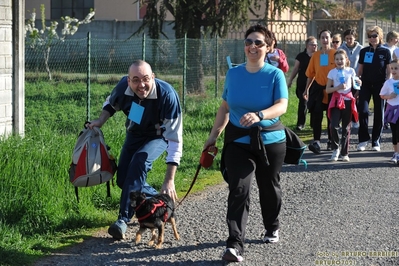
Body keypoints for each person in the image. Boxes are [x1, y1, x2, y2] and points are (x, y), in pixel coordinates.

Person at [204, 24, 288, 263]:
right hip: (238, 139)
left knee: (268, 185)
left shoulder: (275, 74)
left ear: (269, 47)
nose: (252, 46)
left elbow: (282, 106)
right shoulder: (233, 73)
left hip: (270, 139)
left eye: (258, 42)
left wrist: (260, 115)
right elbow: (225, 107)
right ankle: (234, 244)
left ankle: (272, 225)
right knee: (239, 187)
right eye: (248, 41)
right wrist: (213, 136)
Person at [87, 60, 183, 240]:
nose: (141, 85)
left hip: (158, 135)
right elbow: (111, 103)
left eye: (146, 79)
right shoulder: (123, 86)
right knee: (124, 181)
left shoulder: (168, 95)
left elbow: (175, 139)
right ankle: (157, 200)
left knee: (140, 160)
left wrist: (169, 180)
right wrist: (100, 121)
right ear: (128, 80)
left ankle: (122, 220)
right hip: (135, 132)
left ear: (153, 77)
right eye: (136, 80)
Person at [356, 26, 392, 151]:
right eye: (370, 36)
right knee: (363, 111)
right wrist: (357, 82)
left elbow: (389, 71)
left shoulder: (386, 52)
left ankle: (376, 141)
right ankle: (363, 140)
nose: (372, 38)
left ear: (380, 36)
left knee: (379, 113)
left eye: (375, 36)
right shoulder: (364, 51)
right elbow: (360, 70)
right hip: (365, 84)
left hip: (380, 85)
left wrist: (388, 84)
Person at [304, 29, 336, 154]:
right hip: (318, 89)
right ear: (319, 39)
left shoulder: (335, 53)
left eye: (327, 37)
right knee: (316, 115)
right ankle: (316, 141)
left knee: (331, 117)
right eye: (322, 37)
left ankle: (330, 140)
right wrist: (306, 89)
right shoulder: (316, 55)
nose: (325, 40)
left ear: (331, 39)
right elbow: (310, 74)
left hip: (331, 89)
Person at [326, 49, 359, 162]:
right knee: (333, 125)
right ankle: (335, 149)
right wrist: (338, 87)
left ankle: (344, 153)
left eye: (341, 59)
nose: (339, 61)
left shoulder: (351, 71)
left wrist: (359, 83)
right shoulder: (332, 72)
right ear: (334, 61)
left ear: (346, 60)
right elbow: (327, 90)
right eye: (337, 59)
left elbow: (356, 84)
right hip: (336, 101)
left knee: (346, 127)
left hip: (348, 100)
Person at [287, 36, 318, 130]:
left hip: (315, 83)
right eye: (312, 44)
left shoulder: (320, 55)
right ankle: (301, 123)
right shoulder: (301, 56)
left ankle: (314, 123)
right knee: (303, 103)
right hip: (302, 82)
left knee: (314, 103)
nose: (314, 46)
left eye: (316, 44)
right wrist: (290, 80)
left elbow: (322, 68)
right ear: (307, 45)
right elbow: (296, 68)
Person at [339, 29, 363, 129]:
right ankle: (342, 119)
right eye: (347, 38)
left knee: (355, 99)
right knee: (343, 98)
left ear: (355, 38)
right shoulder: (341, 48)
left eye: (351, 38)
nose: (349, 40)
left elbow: (362, 64)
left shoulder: (361, 49)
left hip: (356, 77)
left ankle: (354, 119)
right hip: (344, 77)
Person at [379, 59, 399, 163]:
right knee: (395, 133)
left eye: (396, 68)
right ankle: (396, 153)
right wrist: (389, 96)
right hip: (392, 109)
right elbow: (381, 95)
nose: (394, 70)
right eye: (392, 68)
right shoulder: (388, 82)